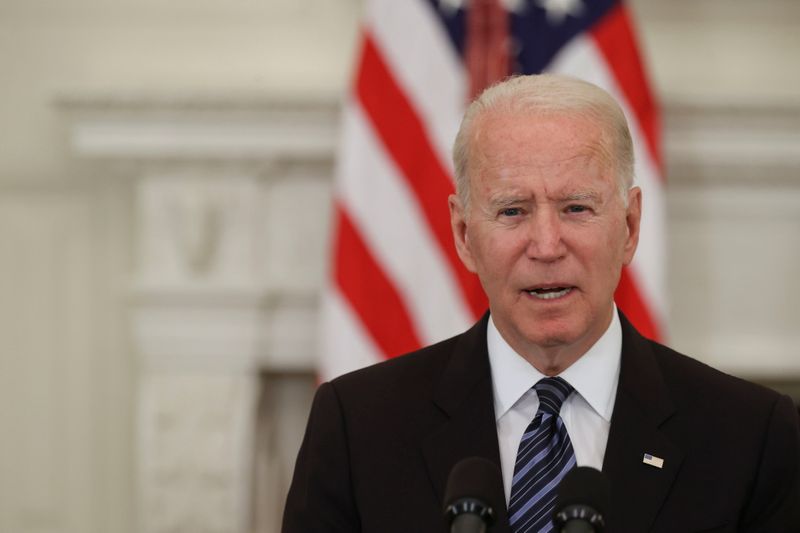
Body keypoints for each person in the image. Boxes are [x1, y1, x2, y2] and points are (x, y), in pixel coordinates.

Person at [282, 74, 800, 533]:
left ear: (630, 226)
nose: (547, 245)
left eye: (576, 208)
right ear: (464, 234)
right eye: (513, 211)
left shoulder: (751, 437)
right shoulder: (358, 428)